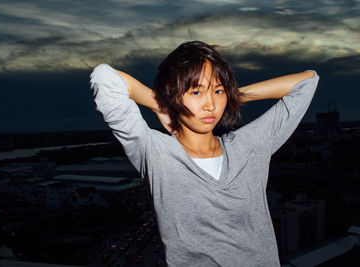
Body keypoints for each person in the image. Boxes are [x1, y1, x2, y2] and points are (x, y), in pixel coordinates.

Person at [89, 41, 319, 266]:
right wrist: (161, 104)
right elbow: (105, 78)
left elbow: (308, 82)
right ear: (173, 94)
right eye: (196, 92)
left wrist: (233, 95)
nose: (211, 104)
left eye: (217, 91)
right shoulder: (155, 152)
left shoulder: (248, 146)